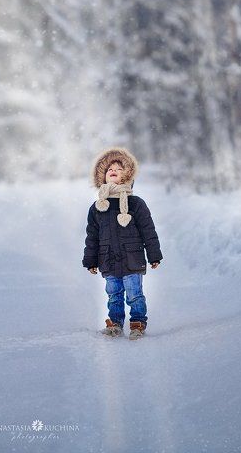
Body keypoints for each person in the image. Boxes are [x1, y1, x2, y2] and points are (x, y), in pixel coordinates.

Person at [82, 146, 163, 340]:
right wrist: (91, 261)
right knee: (113, 294)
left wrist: (154, 255)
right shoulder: (97, 208)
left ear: (127, 176)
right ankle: (115, 323)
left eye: (118, 169)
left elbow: (148, 232)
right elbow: (92, 237)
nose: (113, 170)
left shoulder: (136, 204)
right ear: (102, 175)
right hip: (108, 259)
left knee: (134, 293)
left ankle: (137, 322)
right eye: (110, 169)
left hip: (132, 258)